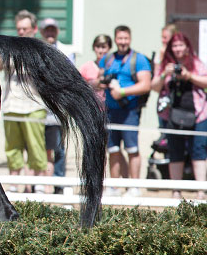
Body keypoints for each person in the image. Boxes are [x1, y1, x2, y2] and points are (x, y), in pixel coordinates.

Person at [0, 10, 49, 188]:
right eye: (18, 29)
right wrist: (1, 49)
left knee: (36, 148)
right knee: (12, 149)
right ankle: (14, 184)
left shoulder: (41, 49)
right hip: (11, 105)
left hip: (34, 105)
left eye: (25, 28)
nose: (21, 32)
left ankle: (38, 184)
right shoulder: (10, 47)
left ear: (34, 29)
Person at [150, 32, 207, 188]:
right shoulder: (165, 64)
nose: (177, 48)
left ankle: (200, 191)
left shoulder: (196, 63)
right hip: (172, 115)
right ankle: (176, 190)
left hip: (198, 114)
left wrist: (189, 76)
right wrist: (164, 75)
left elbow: (205, 81)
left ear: (187, 47)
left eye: (180, 45)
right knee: (175, 151)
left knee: (199, 150)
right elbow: (154, 87)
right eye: (174, 45)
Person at [98, 25, 152, 180]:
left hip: (129, 111)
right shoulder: (108, 59)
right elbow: (100, 78)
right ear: (115, 39)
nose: (123, 42)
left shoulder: (139, 59)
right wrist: (101, 83)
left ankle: (134, 185)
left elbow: (145, 84)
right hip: (110, 111)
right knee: (113, 149)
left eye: (126, 38)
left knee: (132, 149)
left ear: (130, 39)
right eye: (120, 38)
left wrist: (122, 92)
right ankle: (115, 185)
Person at [39, 18, 75, 180]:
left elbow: (70, 76)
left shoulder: (66, 52)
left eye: (53, 29)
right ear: (41, 32)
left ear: (57, 31)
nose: (50, 33)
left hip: (59, 106)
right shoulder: (36, 50)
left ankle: (58, 183)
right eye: (47, 30)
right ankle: (41, 183)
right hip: (38, 106)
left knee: (59, 147)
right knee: (40, 148)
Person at [79, 34, 113, 104]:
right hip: (92, 107)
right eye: (98, 47)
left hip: (112, 108)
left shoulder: (114, 66)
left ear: (109, 48)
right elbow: (79, 87)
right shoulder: (86, 67)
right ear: (93, 48)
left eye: (103, 47)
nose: (100, 51)